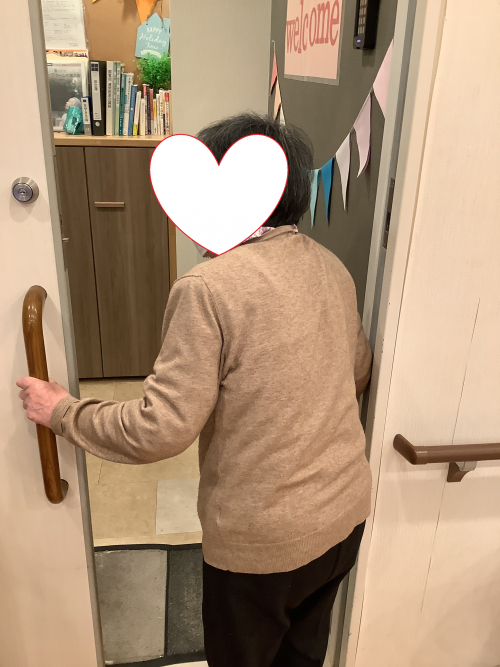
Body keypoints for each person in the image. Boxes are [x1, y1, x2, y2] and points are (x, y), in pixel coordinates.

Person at [17, 112, 372, 667]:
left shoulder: (207, 288)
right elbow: (358, 372)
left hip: (261, 547)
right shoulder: (332, 267)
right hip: (344, 517)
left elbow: (159, 430)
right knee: (302, 657)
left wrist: (63, 410)